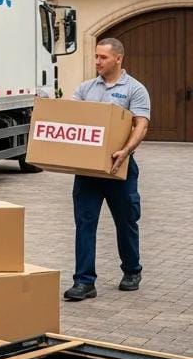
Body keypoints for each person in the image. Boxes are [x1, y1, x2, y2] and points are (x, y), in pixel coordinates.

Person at [64, 37, 151, 302]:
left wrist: (125, 151)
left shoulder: (135, 89)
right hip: (88, 171)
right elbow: (70, 117)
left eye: (103, 57)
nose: (98, 61)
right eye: (96, 57)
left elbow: (141, 125)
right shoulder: (86, 89)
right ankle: (84, 282)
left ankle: (132, 270)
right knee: (85, 223)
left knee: (126, 221)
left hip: (120, 169)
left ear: (118, 58)